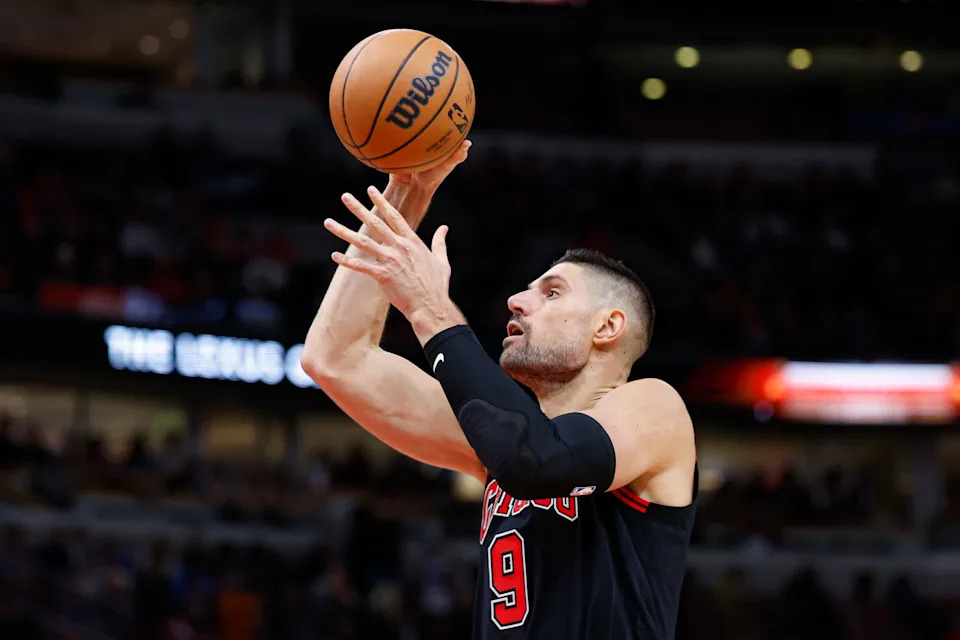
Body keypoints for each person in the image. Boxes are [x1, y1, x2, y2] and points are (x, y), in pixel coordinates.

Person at [302, 140, 698, 640]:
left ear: (608, 326)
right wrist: (407, 192)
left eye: (551, 292)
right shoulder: (501, 436)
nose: (516, 301)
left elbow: (538, 461)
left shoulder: (655, 407)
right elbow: (336, 359)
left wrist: (429, 310)